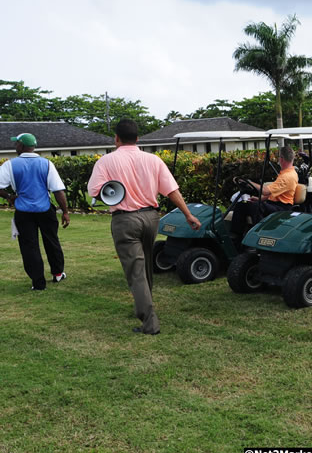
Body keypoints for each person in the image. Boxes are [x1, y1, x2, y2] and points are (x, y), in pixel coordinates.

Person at [88, 120, 201, 335]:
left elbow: (95, 191)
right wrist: (188, 214)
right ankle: (145, 304)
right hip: (151, 217)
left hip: (125, 219)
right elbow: (171, 190)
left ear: (116, 138)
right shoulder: (153, 160)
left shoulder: (105, 161)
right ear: (138, 138)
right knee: (146, 264)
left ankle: (149, 322)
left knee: (136, 271)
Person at [0, 133, 70, 290]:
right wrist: (65, 212)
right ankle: (58, 274)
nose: (14, 146)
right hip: (45, 209)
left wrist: (9, 196)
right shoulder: (46, 164)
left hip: (23, 211)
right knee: (51, 241)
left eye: (16, 144)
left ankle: (38, 282)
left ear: (21, 146)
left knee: (29, 246)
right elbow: (58, 190)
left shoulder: (10, 165)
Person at [230, 145, 298, 237]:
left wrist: (250, 182)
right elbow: (274, 193)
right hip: (274, 204)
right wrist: (259, 199)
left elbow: (266, 191)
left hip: (282, 208)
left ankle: (259, 236)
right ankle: (236, 237)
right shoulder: (286, 173)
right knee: (242, 204)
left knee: (255, 207)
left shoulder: (287, 176)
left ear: (281, 159)